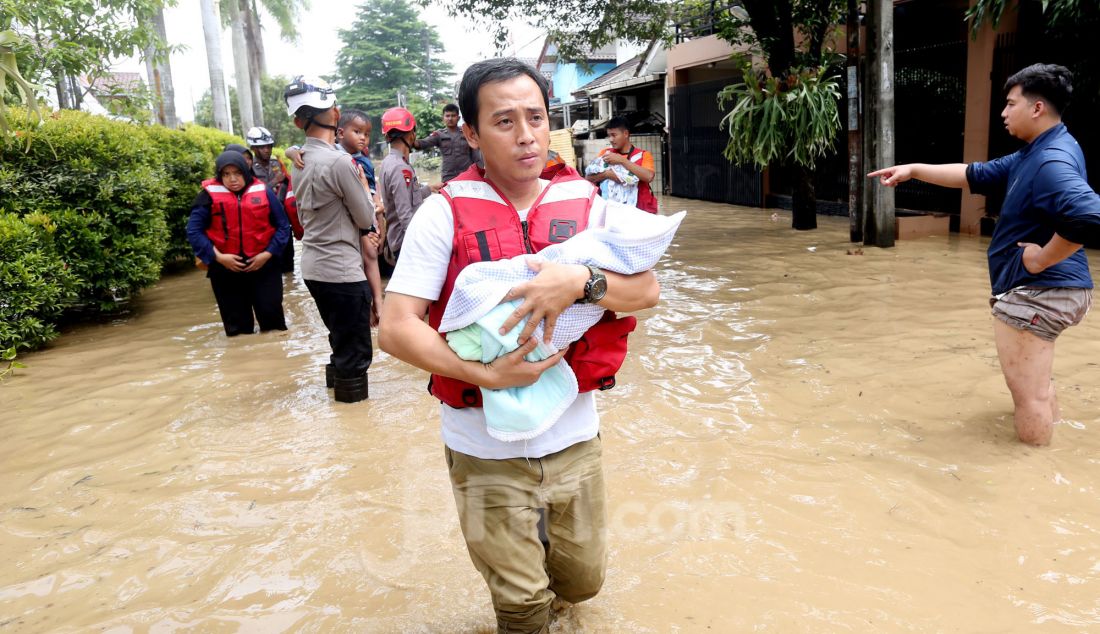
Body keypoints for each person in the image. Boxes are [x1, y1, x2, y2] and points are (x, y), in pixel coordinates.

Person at [378, 58, 661, 632]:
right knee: (522, 604)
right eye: (504, 121)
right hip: (482, 448)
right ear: (472, 134)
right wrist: (484, 374)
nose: (526, 134)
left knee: (582, 583)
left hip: (573, 435)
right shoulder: (444, 212)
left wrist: (583, 282)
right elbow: (395, 326)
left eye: (535, 117)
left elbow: (647, 290)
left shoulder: (589, 203)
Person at [869, 63, 1100, 446]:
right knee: (1038, 388)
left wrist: (1042, 259)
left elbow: (1089, 216)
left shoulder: (1049, 160)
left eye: (1011, 104)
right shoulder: (1045, 149)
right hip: (1057, 289)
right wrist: (912, 169)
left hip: (1037, 291)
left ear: (1037, 108)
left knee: (1029, 397)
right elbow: (971, 174)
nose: (1004, 113)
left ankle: (1031, 476)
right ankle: (1051, 461)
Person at [284, 75, 378, 403]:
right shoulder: (340, 163)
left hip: (312, 267)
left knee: (339, 342)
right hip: (341, 269)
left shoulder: (298, 159)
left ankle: (337, 416)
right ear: (335, 115)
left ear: (298, 121)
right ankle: (355, 429)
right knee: (355, 352)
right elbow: (366, 218)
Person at [186, 150, 290, 337]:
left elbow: (283, 226)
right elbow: (193, 231)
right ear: (219, 175)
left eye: (237, 173)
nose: (232, 179)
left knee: (273, 324)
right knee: (238, 331)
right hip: (225, 269)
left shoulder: (263, 191)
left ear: (245, 171)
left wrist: (267, 254)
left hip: (264, 265)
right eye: (226, 174)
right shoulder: (207, 196)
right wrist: (219, 257)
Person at [377, 106, 441, 276]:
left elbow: (404, 198)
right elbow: (405, 214)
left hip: (398, 241)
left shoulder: (388, 162)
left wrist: (429, 189)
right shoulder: (400, 168)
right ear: (411, 134)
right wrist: (421, 246)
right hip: (406, 244)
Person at [247, 126, 302, 273]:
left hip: (282, 220)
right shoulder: (249, 167)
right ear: (253, 148)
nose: (267, 150)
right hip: (263, 222)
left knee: (288, 262)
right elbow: (249, 193)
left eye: (269, 146)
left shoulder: (276, 163)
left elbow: (287, 186)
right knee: (269, 265)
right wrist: (273, 182)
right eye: (262, 147)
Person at [584, 116, 659, 214]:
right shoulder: (605, 153)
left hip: (639, 212)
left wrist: (622, 161)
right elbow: (588, 178)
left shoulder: (643, 155)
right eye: (609, 135)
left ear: (626, 134)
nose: (610, 139)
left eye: (614, 135)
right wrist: (608, 175)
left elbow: (649, 177)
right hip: (611, 211)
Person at [415, 102, 481, 183]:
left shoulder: (467, 132)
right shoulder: (438, 135)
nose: (450, 118)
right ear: (443, 118)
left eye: (453, 116)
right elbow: (422, 144)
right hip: (448, 177)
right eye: (447, 116)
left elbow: (476, 156)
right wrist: (409, 139)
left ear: (458, 118)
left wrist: (479, 172)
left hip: (467, 176)